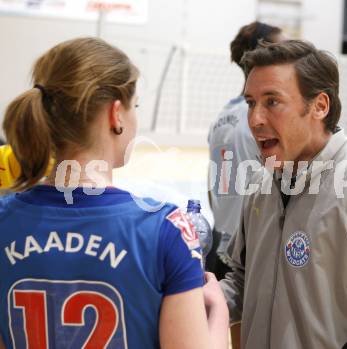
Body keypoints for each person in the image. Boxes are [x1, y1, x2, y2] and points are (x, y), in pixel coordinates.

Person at [0, 37, 228, 349]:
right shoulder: (166, 230)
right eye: (135, 107)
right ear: (115, 114)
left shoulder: (6, 219)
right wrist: (218, 312)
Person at [220, 40, 347, 348]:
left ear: (320, 105)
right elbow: (240, 278)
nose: (255, 119)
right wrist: (191, 296)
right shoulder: (260, 184)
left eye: (272, 102)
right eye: (251, 103)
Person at [207, 21, 283, 279]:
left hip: (220, 242)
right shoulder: (263, 120)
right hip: (249, 250)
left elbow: (211, 188)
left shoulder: (223, 115)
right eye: (283, 49)